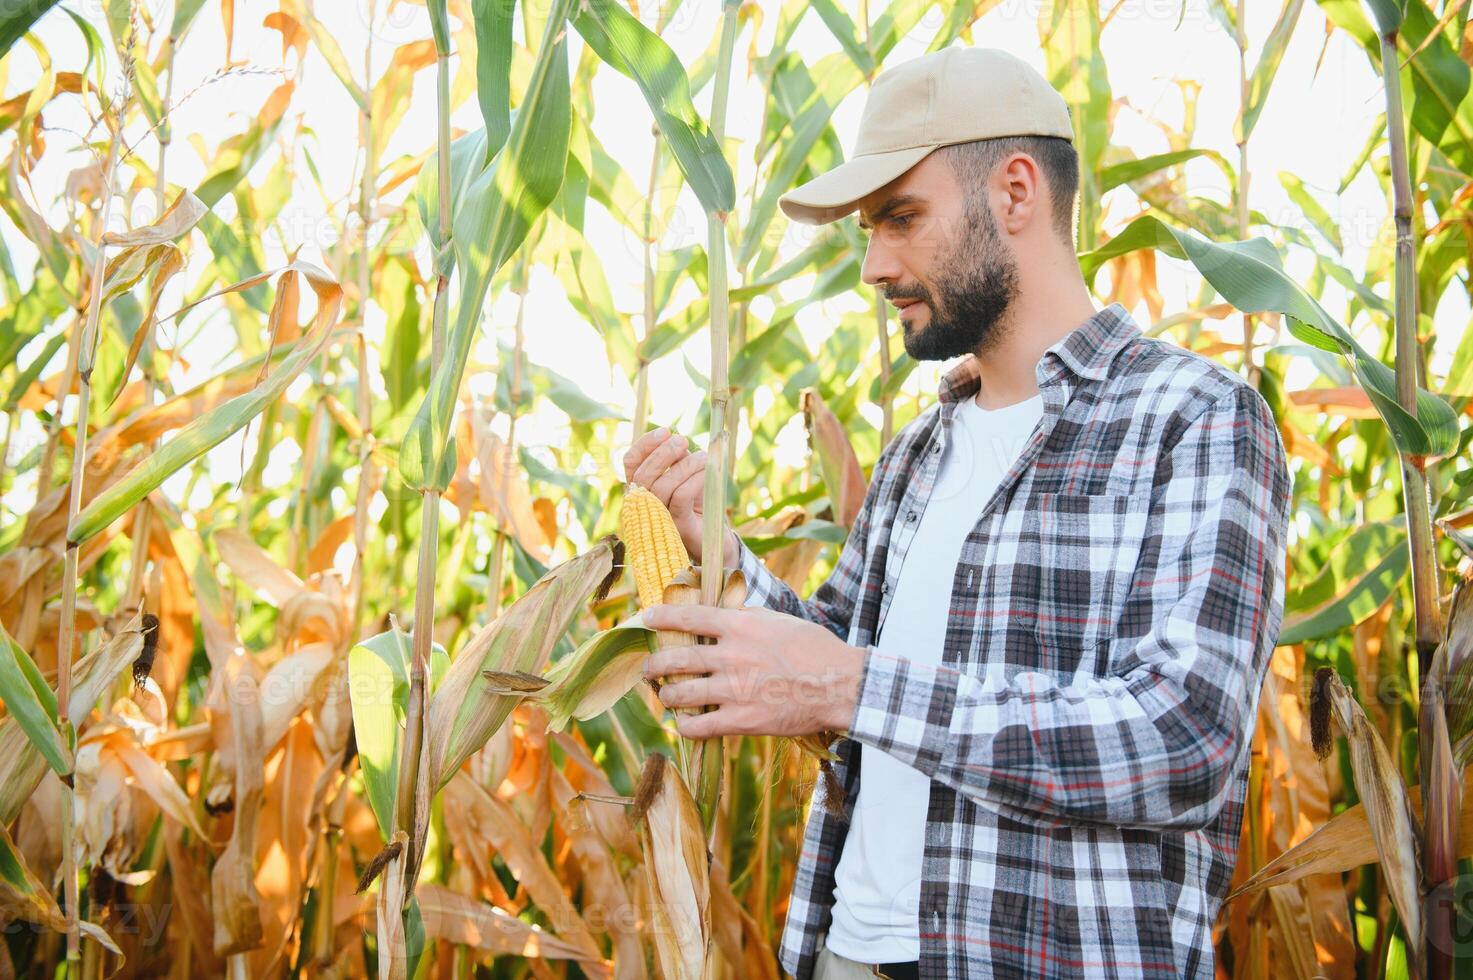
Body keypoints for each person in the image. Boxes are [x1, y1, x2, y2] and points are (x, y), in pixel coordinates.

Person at [621, 45, 1291, 980]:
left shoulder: (1193, 421)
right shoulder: (916, 457)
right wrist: (715, 551)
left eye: (900, 218)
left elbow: (1184, 738)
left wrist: (848, 686)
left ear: (1015, 193)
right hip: (846, 952)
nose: (871, 265)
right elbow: (830, 665)